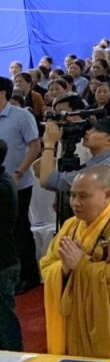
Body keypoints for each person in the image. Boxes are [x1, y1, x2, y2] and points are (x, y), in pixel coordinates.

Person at [39, 166, 110, 358]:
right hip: (76, 321)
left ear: (107, 195)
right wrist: (63, 270)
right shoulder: (70, 227)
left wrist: (82, 265)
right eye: (72, 195)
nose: (75, 203)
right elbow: (47, 265)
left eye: (83, 196)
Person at [0, 76, 42, 293]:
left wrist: (19, 172)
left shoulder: (21, 116)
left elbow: (35, 146)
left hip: (18, 182)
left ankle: (29, 274)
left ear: (3, 93)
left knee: (20, 229)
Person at [39, 112, 110, 206]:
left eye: (95, 130)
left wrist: (49, 143)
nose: (87, 132)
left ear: (109, 140)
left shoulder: (101, 169)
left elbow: (47, 180)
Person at [0, 139, 22, 349]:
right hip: (6, 258)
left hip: (3, 262)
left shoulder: (3, 186)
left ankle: (15, 359)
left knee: (5, 319)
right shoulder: (5, 179)